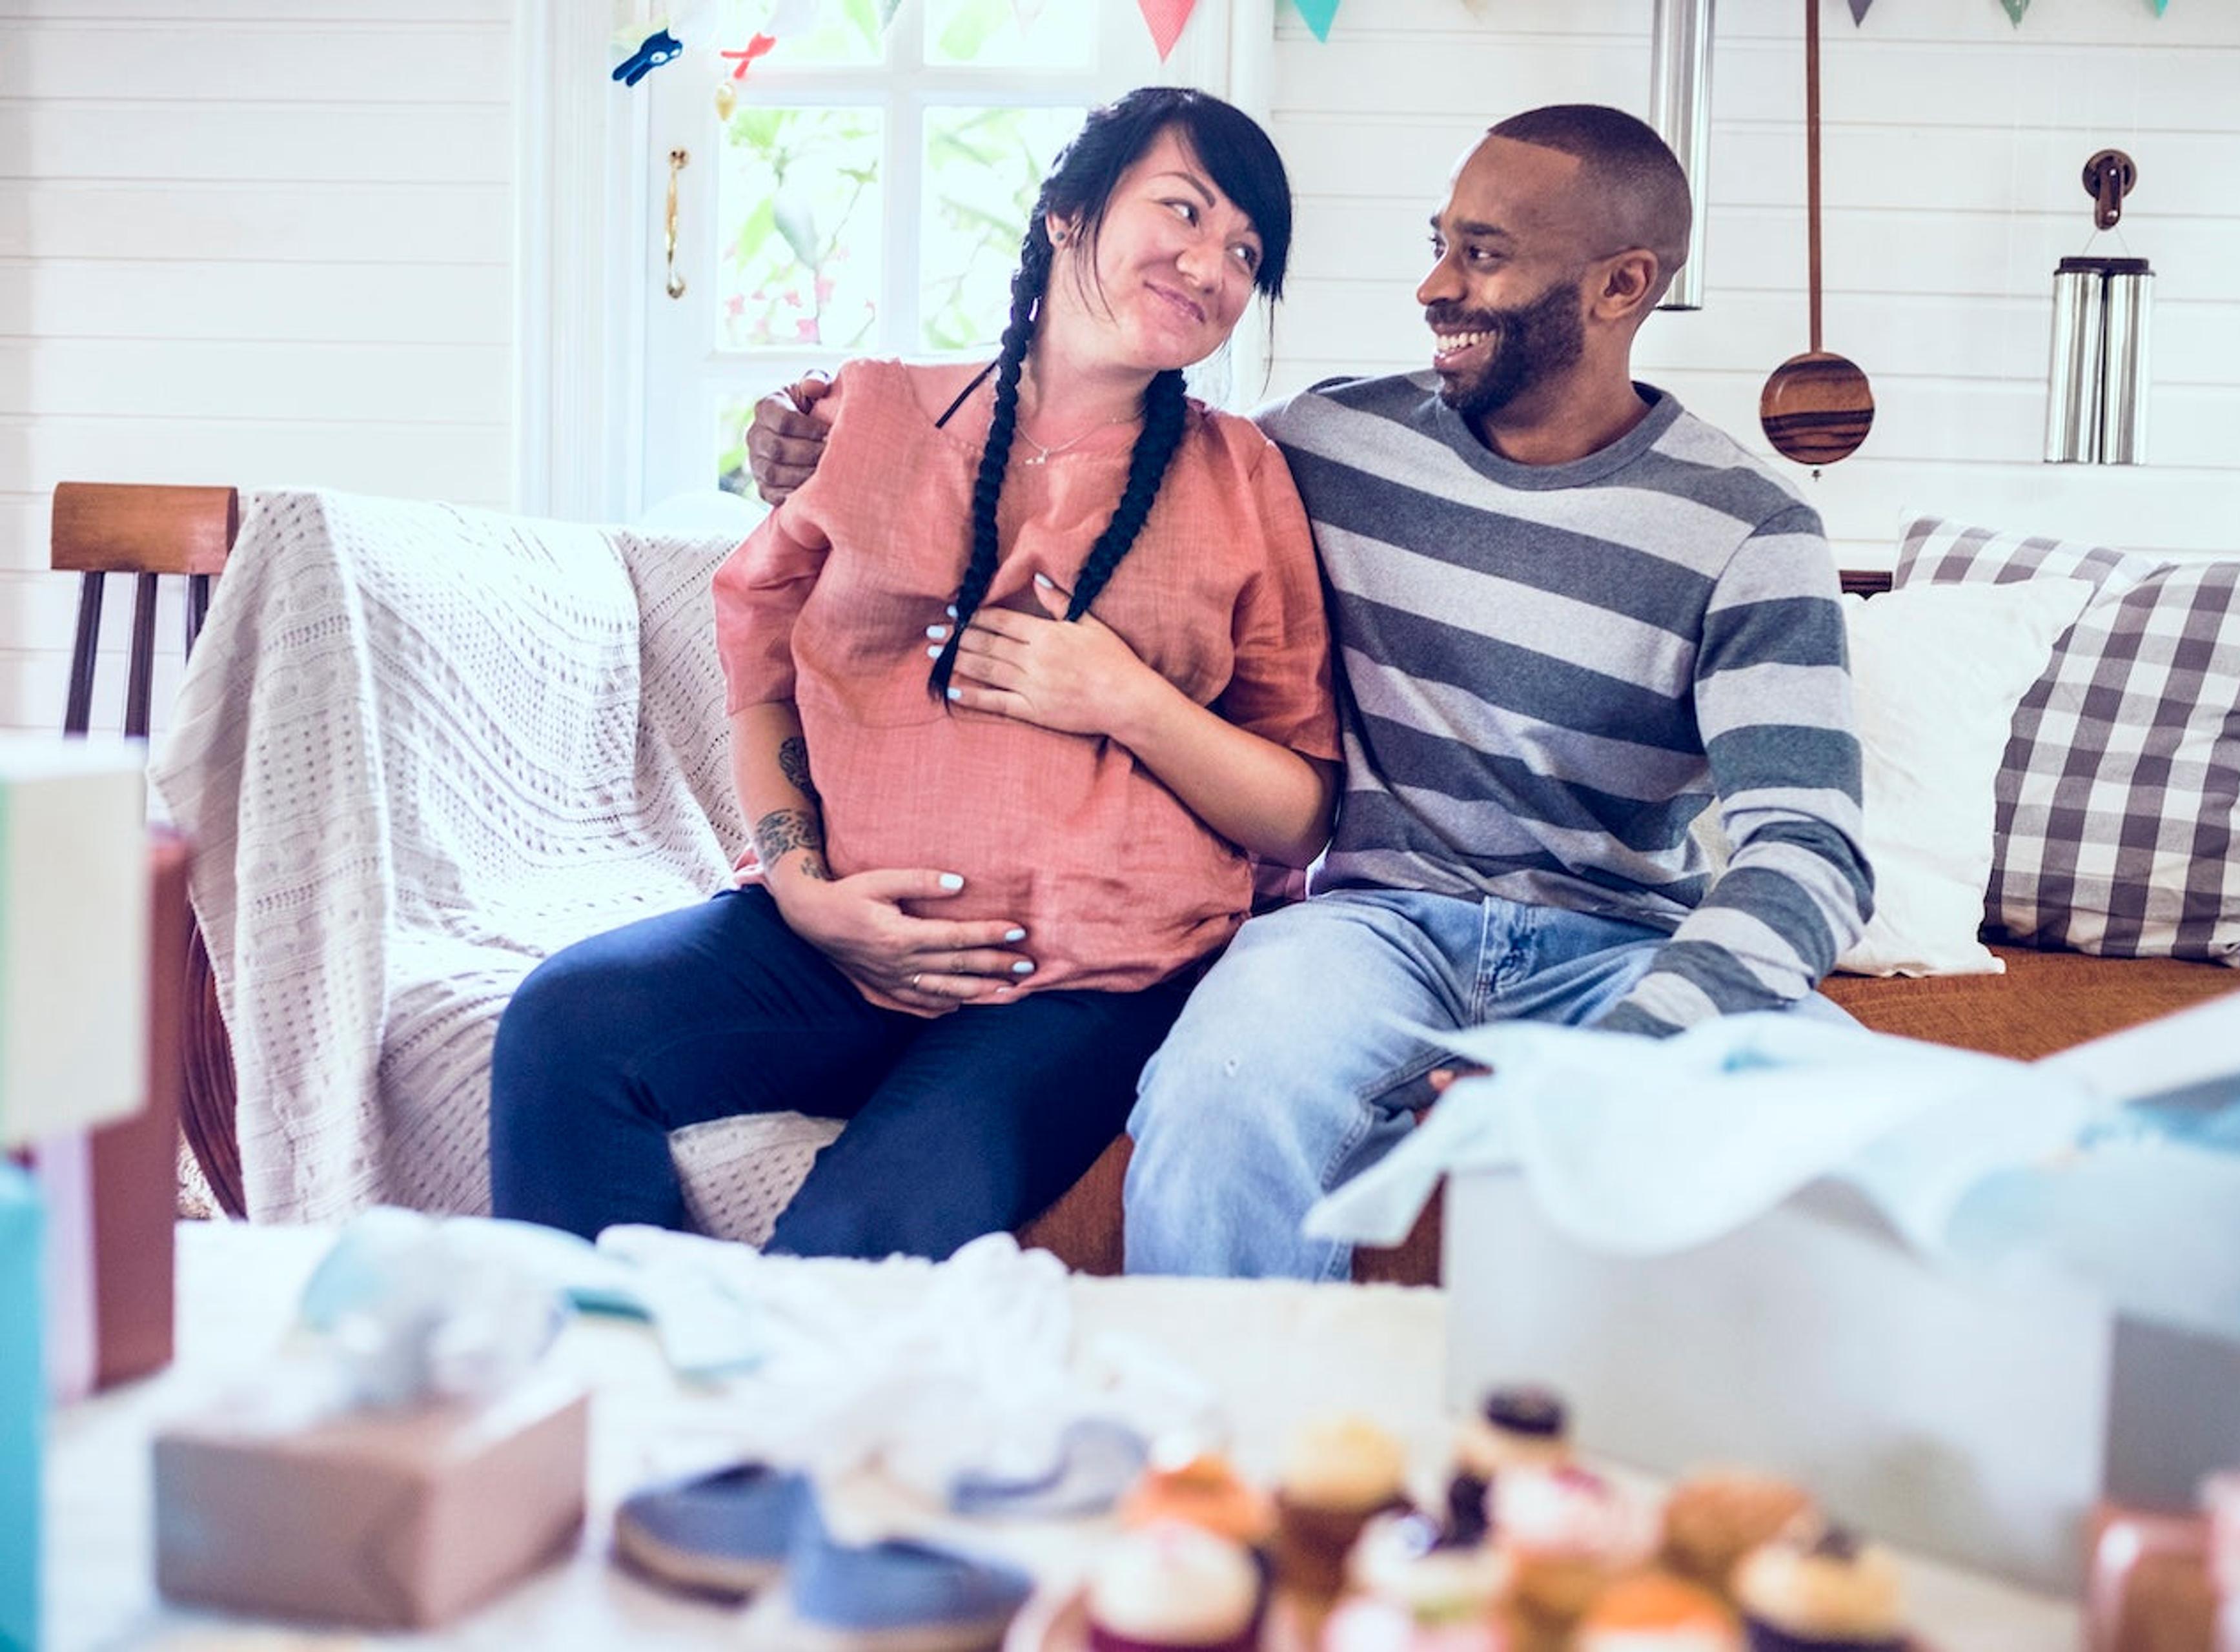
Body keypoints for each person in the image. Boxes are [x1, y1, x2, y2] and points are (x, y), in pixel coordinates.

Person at [742, 103, 1872, 1280]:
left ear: (1620, 285)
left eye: (1482, 255)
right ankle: (1224, 1402)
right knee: (1218, 1094)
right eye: (1438, 243)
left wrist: (1637, 1052)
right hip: (1369, 931)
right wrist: (825, 436)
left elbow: (1811, 853)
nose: (1434, 287)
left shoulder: (1749, 529)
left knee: (1858, 1130)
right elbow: (1102, 430)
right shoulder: (1329, 441)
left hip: (1623, 948)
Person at [491, 87, 1341, 1260]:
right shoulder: (876, 413)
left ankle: (753, 1382)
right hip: (834, 950)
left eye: (1246, 253)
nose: (1210, 266)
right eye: (1184, 211)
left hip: (1087, 985)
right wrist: (804, 893)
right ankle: (604, 1358)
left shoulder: (1241, 475)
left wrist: (1125, 699)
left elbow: (1301, 813)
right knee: (565, 1023)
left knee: (859, 1239)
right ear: (1068, 213)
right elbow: (766, 681)